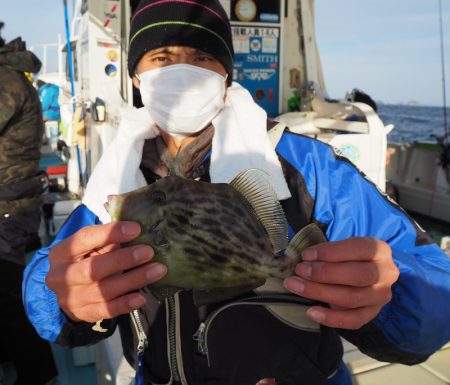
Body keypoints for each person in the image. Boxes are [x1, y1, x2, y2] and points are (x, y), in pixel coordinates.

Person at [23, 2, 450, 385]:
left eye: (202, 56)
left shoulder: (306, 164)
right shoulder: (116, 177)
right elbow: (54, 271)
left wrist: (387, 298)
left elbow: (436, 291)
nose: (181, 70)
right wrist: (61, 296)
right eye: (162, 57)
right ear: (137, 76)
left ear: (226, 73)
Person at [0, 23, 58, 385]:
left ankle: (38, 373)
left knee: (4, 294)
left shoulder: (5, 81)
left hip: (8, 203)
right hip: (15, 198)